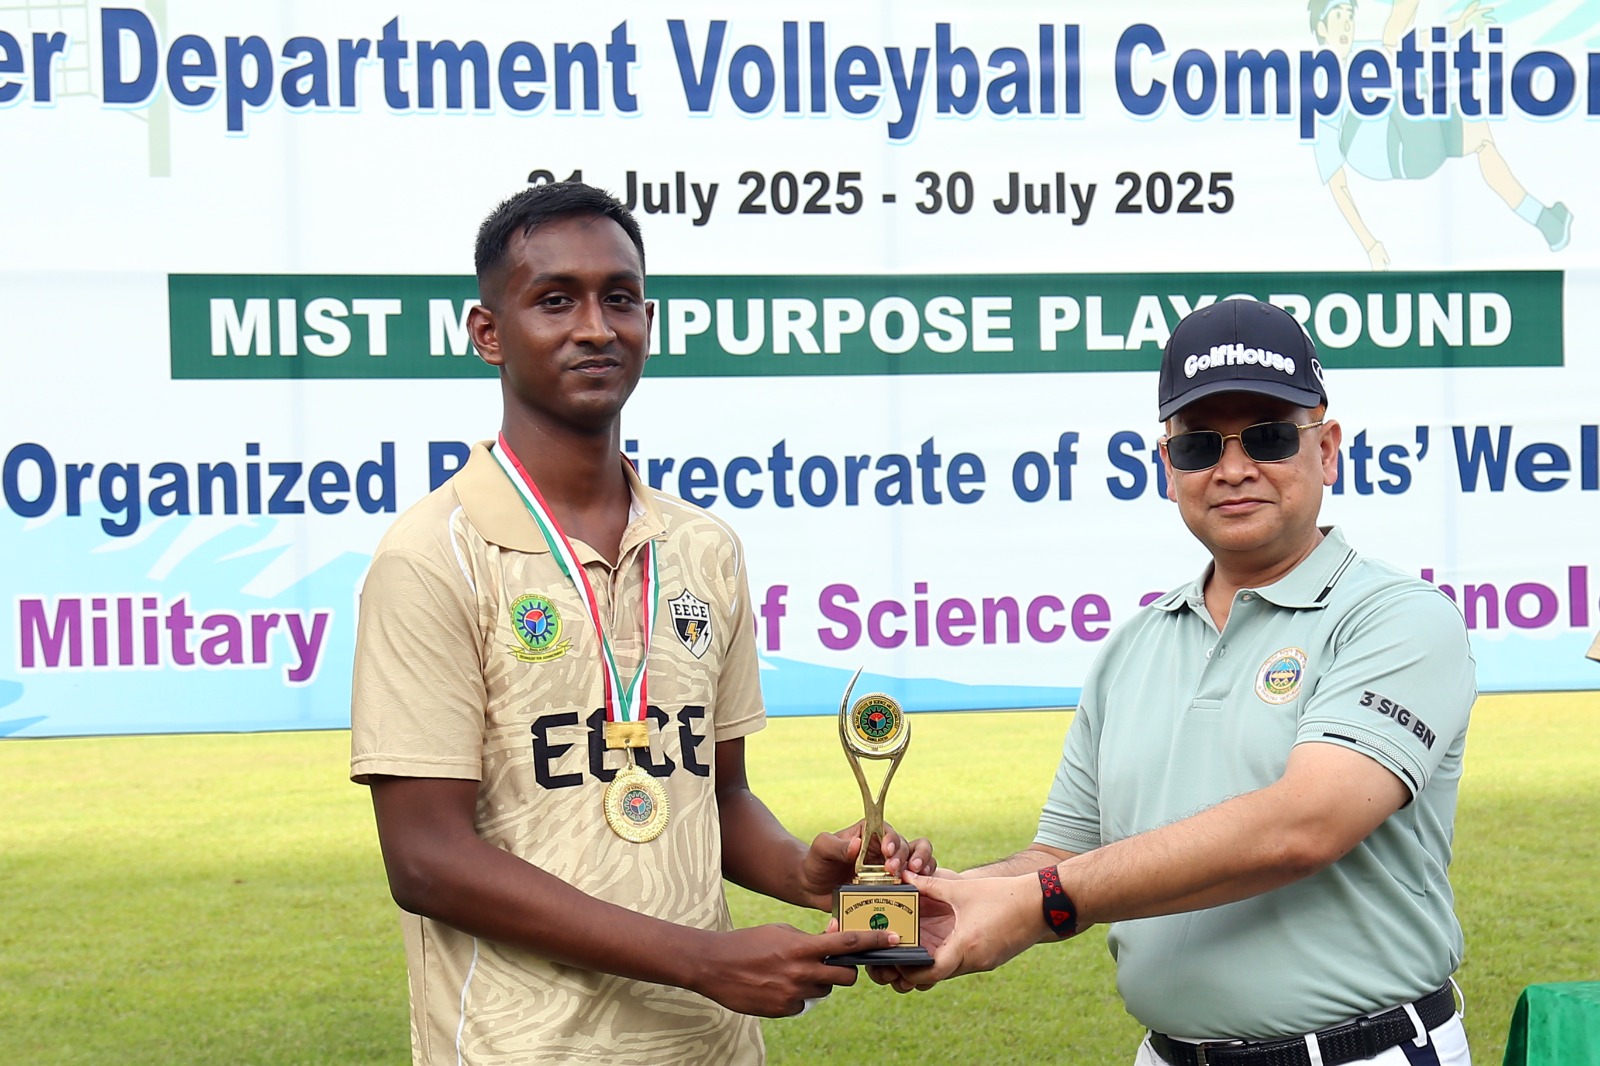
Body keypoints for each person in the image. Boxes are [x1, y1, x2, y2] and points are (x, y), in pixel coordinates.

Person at [349, 181, 930, 1065]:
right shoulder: (433, 556)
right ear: (488, 333)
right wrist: (701, 960)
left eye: (619, 298)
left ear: (648, 322)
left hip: (710, 1048)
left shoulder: (703, 549)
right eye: (555, 300)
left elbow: (717, 796)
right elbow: (427, 858)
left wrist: (805, 874)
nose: (595, 327)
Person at [881, 298, 1478, 1066]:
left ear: (1327, 451)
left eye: (1267, 435)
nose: (1233, 469)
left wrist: (1041, 902)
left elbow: (1304, 826)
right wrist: (959, 896)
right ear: (1168, 468)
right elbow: (1059, 854)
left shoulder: (1397, 617)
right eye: (1198, 445)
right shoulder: (1134, 647)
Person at [1309, 0, 1572, 267]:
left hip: (1417, 148)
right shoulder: (1321, 87)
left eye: (1349, 15)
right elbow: (1338, 184)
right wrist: (1370, 245)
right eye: (1337, 16)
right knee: (1394, 42)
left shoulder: (1364, 55)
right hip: (1392, 148)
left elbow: (1415, 44)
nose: (1346, 23)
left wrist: (1459, 26)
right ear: (1321, 28)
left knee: (1481, 136)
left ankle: (1546, 222)